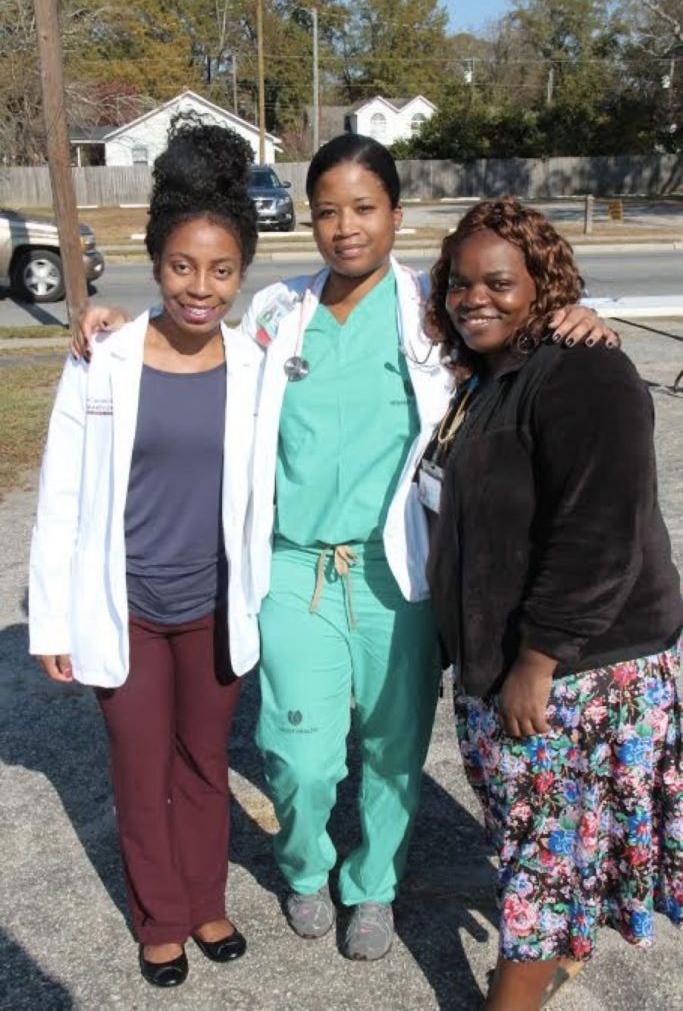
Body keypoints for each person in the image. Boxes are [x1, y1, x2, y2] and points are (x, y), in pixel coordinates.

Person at [75, 135, 618, 963]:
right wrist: (112, 325)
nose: (344, 227)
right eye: (326, 210)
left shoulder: (435, 306)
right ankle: (304, 868)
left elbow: (513, 330)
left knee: (394, 749)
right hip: (294, 566)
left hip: (394, 570)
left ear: (395, 215)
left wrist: (579, 313)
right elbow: (192, 341)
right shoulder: (274, 311)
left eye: (363, 208)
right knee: (296, 753)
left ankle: (373, 887)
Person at [423, 197, 683, 1011]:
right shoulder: (487, 378)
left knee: (536, 869)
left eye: (498, 282)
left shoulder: (582, 372)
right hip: (508, 664)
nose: (475, 298)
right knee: (545, 852)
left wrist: (538, 659)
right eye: (459, 284)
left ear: (543, 285)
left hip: (579, 673)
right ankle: (557, 952)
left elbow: (597, 533)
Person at [29, 117, 262, 988]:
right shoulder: (105, 357)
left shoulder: (258, 361)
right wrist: (51, 617)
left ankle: (206, 901)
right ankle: (159, 916)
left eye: (221, 270)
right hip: (123, 608)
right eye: (181, 266)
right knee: (139, 767)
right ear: (156, 263)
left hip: (211, 607)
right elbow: (59, 497)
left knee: (206, 764)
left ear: (241, 273)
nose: (200, 288)